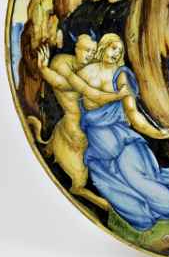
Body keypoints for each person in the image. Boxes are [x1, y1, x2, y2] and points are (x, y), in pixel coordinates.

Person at [76, 33, 169, 230]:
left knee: (139, 179)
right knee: (112, 186)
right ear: (103, 47)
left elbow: (133, 114)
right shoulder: (83, 73)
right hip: (99, 144)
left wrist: (156, 133)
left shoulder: (121, 76)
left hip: (122, 138)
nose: (115, 54)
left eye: (119, 51)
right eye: (113, 48)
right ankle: (145, 217)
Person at [37, 35, 130, 210]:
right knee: (84, 173)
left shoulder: (88, 69)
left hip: (92, 124)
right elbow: (87, 92)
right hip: (76, 129)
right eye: (87, 50)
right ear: (76, 49)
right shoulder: (65, 67)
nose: (90, 55)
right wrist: (43, 69)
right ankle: (92, 195)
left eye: (93, 51)